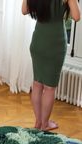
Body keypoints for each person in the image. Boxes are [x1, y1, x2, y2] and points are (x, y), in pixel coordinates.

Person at [22, 0, 81, 131]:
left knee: (37, 84)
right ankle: (45, 124)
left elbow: (24, 10)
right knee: (49, 88)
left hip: (38, 41)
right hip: (55, 43)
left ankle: (38, 122)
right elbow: (76, 16)